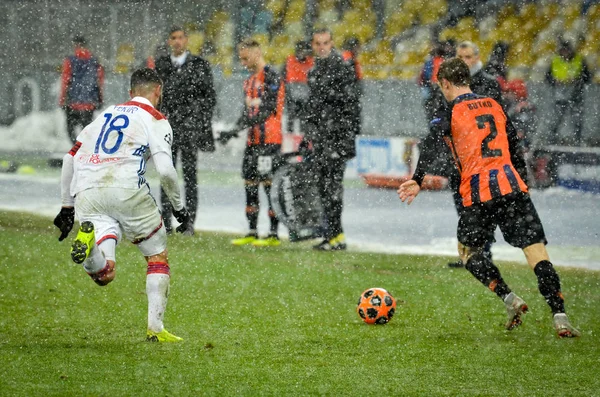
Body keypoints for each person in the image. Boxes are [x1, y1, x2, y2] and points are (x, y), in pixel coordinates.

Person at [398, 58, 580, 338]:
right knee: (535, 252)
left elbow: (432, 142)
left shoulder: (450, 111)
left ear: (445, 84)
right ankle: (560, 316)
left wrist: (418, 179)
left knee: (468, 253)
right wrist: (521, 180)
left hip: (478, 192)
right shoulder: (494, 104)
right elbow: (514, 145)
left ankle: (510, 299)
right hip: (511, 186)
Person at [52, 68, 193, 342]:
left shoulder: (106, 113)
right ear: (158, 92)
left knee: (105, 274)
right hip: (127, 190)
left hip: (89, 191)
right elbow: (165, 171)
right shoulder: (156, 118)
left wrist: (67, 208)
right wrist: (179, 208)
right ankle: (155, 328)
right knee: (156, 256)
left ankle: (90, 247)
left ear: (130, 92)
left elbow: (70, 158)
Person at [442, 40, 504, 268]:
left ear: (477, 58)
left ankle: (483, 252)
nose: (465, 62)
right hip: (459, 160)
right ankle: (471, 252)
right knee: (463, 207)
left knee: (481, 207)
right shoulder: (450, 85)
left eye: (468, 57)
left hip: (481, 160)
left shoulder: (488, 84)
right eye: (461, 58)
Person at [219, 39, 285, 247]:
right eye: (241, 58)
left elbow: (266, 111)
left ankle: (273, 234)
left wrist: (238, 127)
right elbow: (246, 114)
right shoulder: (248, 82)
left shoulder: (272, 76)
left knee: (268, 185)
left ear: (257, 53)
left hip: (270, 143)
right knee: (250, 184)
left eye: (246, 57)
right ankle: (252, 231)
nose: (243, 62)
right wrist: (231, 132)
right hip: (253, 142)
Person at [154, 26, 217, 233]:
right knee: (167, 175)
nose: (178, 42)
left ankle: (188, 224)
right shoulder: (161, 65)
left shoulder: (199, 65)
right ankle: (166, 223)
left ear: (186, 40)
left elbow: (209, 97)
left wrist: (198, 120)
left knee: (190, 176)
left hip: (190, 128)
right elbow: (156, 97)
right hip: (167, 128)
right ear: (169, 41)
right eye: (174, 38)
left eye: (181, 38)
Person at [305, 27, 359, 251]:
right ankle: (333, 235)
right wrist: (310, 133)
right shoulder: (316, 70)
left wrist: (344, 140)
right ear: (313, 45)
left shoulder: (342, 68)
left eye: (325, 43)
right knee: (324, 187)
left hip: (336, 139)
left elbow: (351, 106)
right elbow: (314, 108)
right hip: (322, 139)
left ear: (332, 43)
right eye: (317, 43)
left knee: (332, 188)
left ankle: (336, 236)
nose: (322, 47)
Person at [59, 35, 104, 144]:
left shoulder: (70, 60)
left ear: (76, 45)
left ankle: (76, 148)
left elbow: (65, 80)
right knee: (87, 128)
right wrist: (99, 98)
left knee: (71, 128)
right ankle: (85, 149)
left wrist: (63, 99)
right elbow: (100, 80)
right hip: (89, 101)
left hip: (73, 101)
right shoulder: (94, 61)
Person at [545, 39, 591, 146]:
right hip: (560, 95)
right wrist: (555, 81)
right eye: (563, 51)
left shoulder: (579, 60)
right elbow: (547, 78)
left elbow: (587, 77)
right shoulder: (555, 60)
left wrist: (577, 80)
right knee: (556, 119)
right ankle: (552, 140)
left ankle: (577, 141)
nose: (565, 53)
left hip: (576, 94)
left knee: (577, 119)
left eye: (566, 51)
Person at [281, 40, 314, 133]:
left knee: (304, 118)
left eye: (303, 50)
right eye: (299, 50)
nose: (301, 53)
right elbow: (282, 76)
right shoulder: (289, 60)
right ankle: (290, 137)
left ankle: (303, 138)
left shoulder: (310, 62)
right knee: (291, 116)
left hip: (305, 94)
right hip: (291, 93)